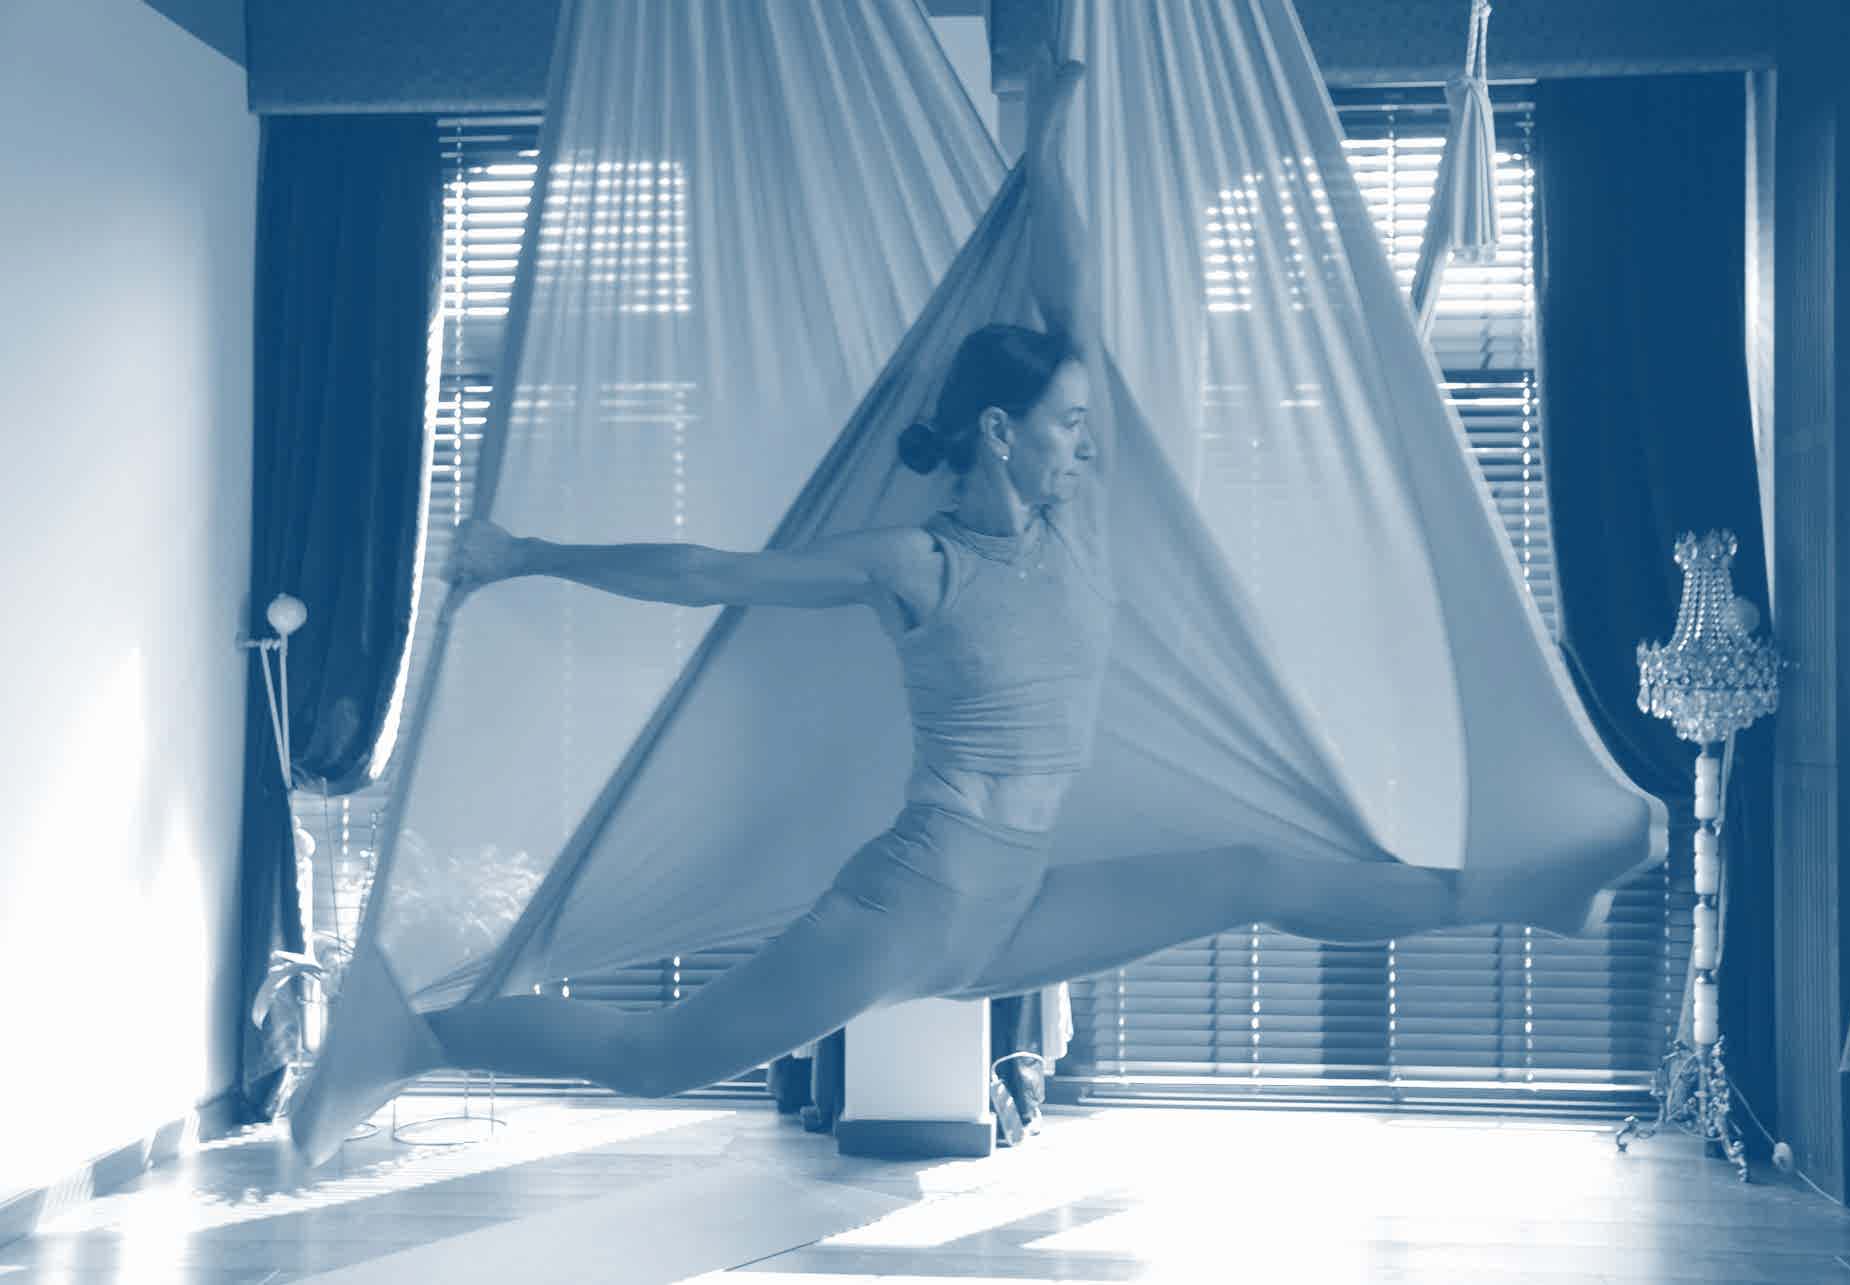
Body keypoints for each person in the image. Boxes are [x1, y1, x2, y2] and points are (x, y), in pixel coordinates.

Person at [289, 54, 1500, 1167]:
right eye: (1068, 426)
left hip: (1017, 900)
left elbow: (1073, 306)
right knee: (660, 1057)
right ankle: (411, 1040)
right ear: (1001, 433)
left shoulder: (1078, 517)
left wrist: (1048, 146)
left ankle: (1504, 889)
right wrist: (526, 553)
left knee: (1252, 873)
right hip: (917, 895)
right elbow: (710, 572)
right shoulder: (917, 562)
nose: (1087, 443)